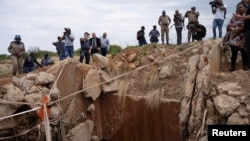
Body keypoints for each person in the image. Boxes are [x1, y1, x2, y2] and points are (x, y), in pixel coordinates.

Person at [234, 0, 250, 70]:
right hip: (243, 33)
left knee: (247, 50)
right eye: (238, 8)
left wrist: (240, 17)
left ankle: (247, 66)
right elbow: (229, 25)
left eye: (241, 7)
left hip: (247, 31)